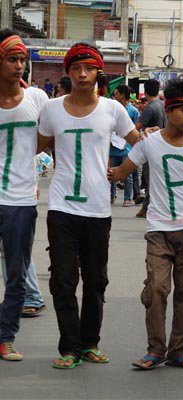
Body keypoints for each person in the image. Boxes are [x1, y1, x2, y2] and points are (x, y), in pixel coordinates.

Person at [109, 79, 183, 371]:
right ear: (168, 110)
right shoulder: (148, 143)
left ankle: (178, 351)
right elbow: (123, 171)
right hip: (159, 230)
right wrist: (97, 170)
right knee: (158, 288)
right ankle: (155, 350)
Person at [37, 42, 142, 369]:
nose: (83, 75)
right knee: (63, 280)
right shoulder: (52, 110)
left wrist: (124, 170)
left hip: (98, 209)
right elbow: (38, 147)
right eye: (76, 69)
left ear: (99, 73)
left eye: (89, 69)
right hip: (62, 207)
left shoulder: (113, 110)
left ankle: (90, 343)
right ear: (67, 72)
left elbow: (139, 145)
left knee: (96, 280)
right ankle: (69, 348)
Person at [0, 31, 48, 361]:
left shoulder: (38, 100)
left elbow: (52, 138)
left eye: (22, 60)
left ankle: (5, 337)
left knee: (17, 274)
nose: (19, 66)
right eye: (12, 59)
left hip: (19, 201)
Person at [135, 79, 166, 218]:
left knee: (150, 179)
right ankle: (148, 207)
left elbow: (137, 127)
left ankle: (148, 208)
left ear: (145, 92)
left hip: (153, 146)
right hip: (166, 145)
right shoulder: (164, 105)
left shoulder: (150, 108)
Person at [111, 84, 140, 206]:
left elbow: (135, 130)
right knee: (111, 173)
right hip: (112, 147)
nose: (115, 95)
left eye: (116, 93)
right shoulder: (111, 108)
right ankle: (111, 196)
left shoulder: (133, 111)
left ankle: (127, 198)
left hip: (126, 148)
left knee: (127, 176)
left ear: (122, 95)